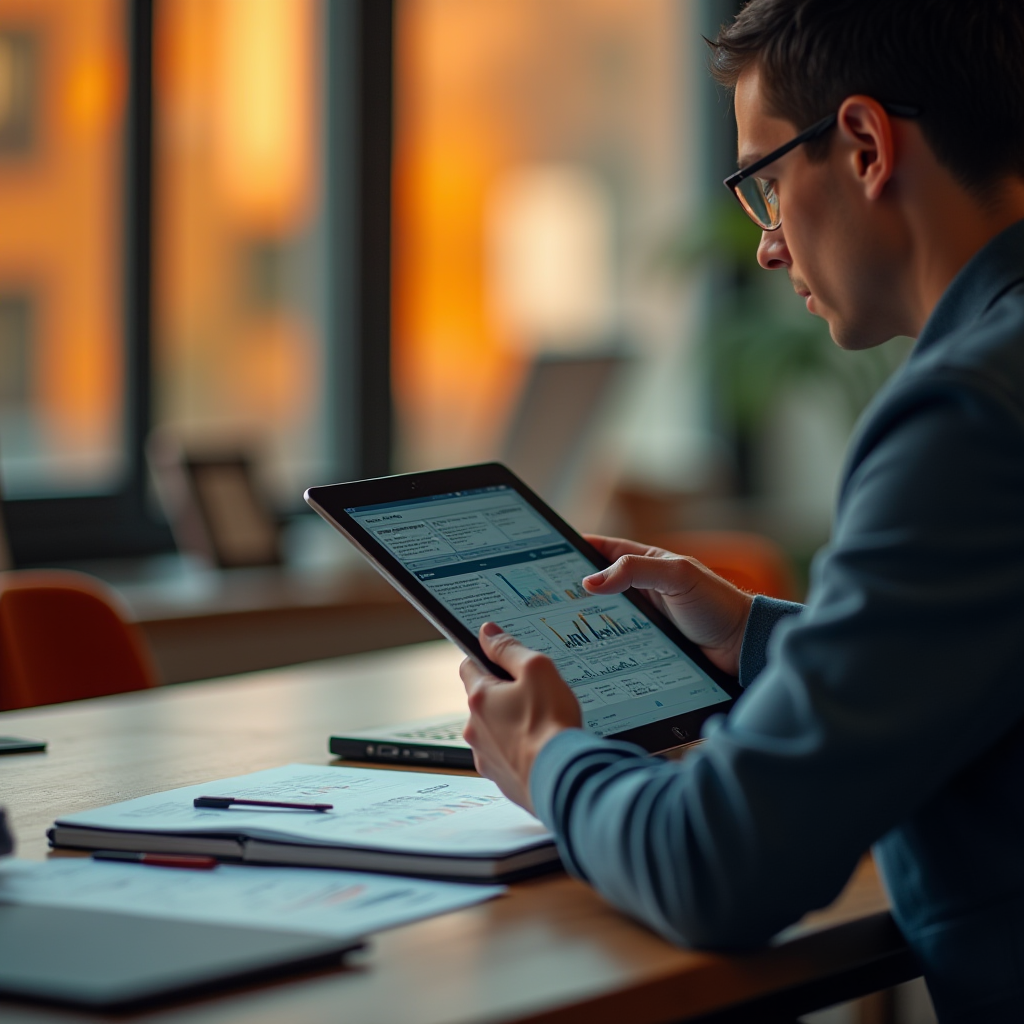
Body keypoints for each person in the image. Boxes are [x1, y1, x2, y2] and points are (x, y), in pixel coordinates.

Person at [457, 1, 1024, 1019]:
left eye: (765, 182)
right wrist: (757, 637)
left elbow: (718, 866)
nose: (765, 247)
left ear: (862, 144)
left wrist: (545, 756)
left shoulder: (961, 419)